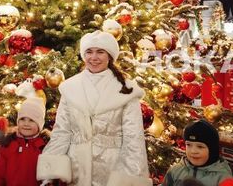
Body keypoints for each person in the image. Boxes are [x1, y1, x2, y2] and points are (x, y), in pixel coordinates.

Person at [37, 31, 149, 186]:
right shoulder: (70, 88)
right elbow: (62, 132)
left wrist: (130, 176)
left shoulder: (127, 91)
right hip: (76, 169)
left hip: (111, 169)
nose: (94, 57)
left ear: (109, 56)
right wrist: (52, 172)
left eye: (100, 52)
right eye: (89, 52)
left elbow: (133, 139)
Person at [0, 97, 47, 186]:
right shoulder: (9, 144)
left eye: (31, 120)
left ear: (40, 123)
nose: (26, 124)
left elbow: (51, 176)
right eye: (22, 119)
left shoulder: (44, 147)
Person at [162, 119, 233, 186]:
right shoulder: (175, 171)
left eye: (200, 147)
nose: (193, 151)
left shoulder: (222, 178)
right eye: (189, 145)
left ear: (212, 150)